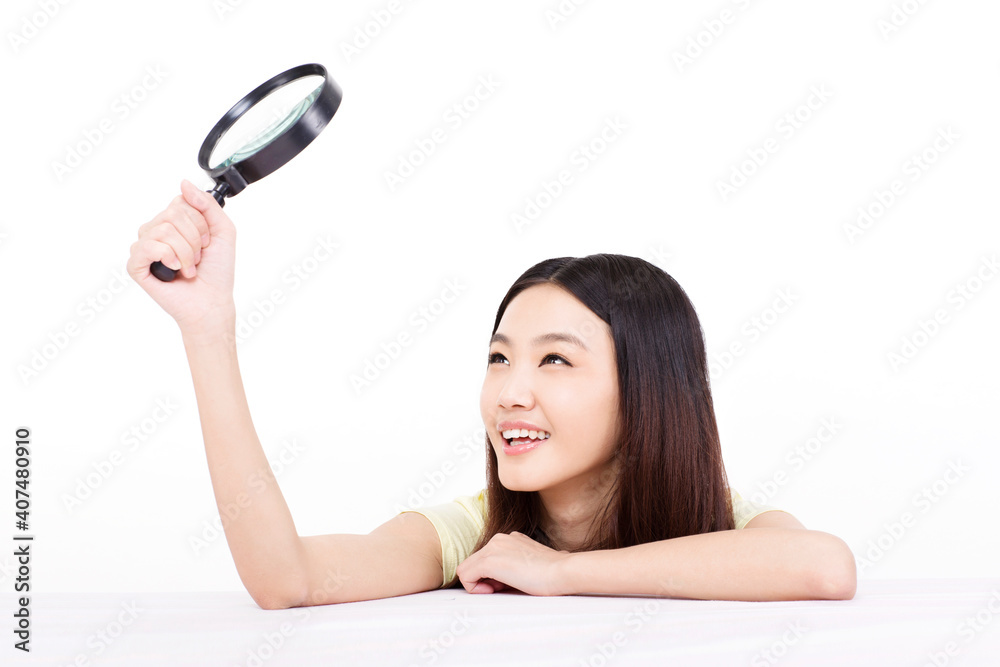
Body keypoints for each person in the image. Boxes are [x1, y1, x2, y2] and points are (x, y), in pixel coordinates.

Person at [127, 180, 857, 609]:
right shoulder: (471, 532)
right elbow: (288, 580)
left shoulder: (720, 518)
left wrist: (564, 572)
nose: (511, 391)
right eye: (499, 357)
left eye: (557, 362)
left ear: (648, 392)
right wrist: (208, 330)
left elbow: (824, 567)